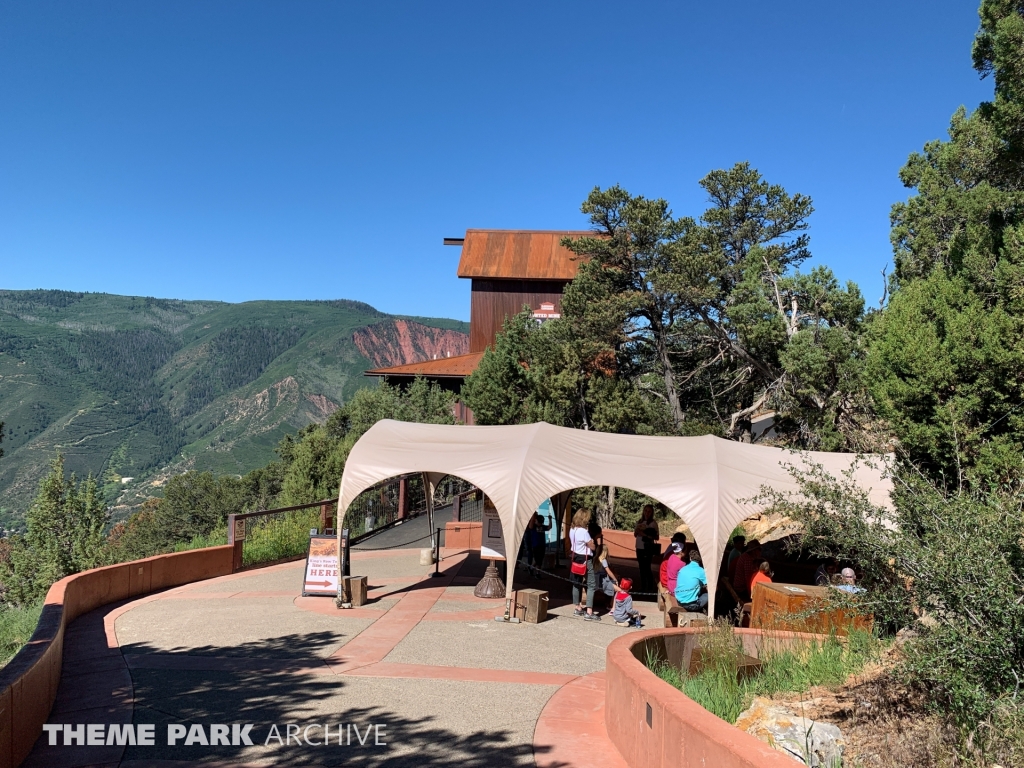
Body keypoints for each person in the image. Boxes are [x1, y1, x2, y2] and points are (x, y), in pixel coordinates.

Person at [569, 509, 600, 621]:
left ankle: (577, 607)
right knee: (591, 584)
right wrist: (592, 542)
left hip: (575, 557)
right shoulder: (584, 532)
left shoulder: (572, 529)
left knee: (576, 582)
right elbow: (592, 547)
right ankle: (589, 612)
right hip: (586, 559)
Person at [633, 505, 659, 593]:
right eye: (645, 511)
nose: (647, 513)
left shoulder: (653, 523)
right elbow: (635, 535)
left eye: (649, 511)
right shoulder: (640, 521)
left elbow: (657, 537)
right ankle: (643, 586)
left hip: (647, 547)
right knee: (641, 567)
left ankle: (650, 586)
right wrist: (637, 532)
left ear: (652, 513)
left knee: (647, 567)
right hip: (639, 547)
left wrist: (644, 534)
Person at [524, 512, 551, 576]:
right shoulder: (533, 527)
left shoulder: (542, 527)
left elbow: (549, 527)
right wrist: (533, 515)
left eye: (536, 520)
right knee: (537, 560)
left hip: (542, 546)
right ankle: (536, 572)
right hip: (535, 546)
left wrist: (550, 519)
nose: (535, 521)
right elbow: (530, 526)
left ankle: (533, 569)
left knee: (540, 560)